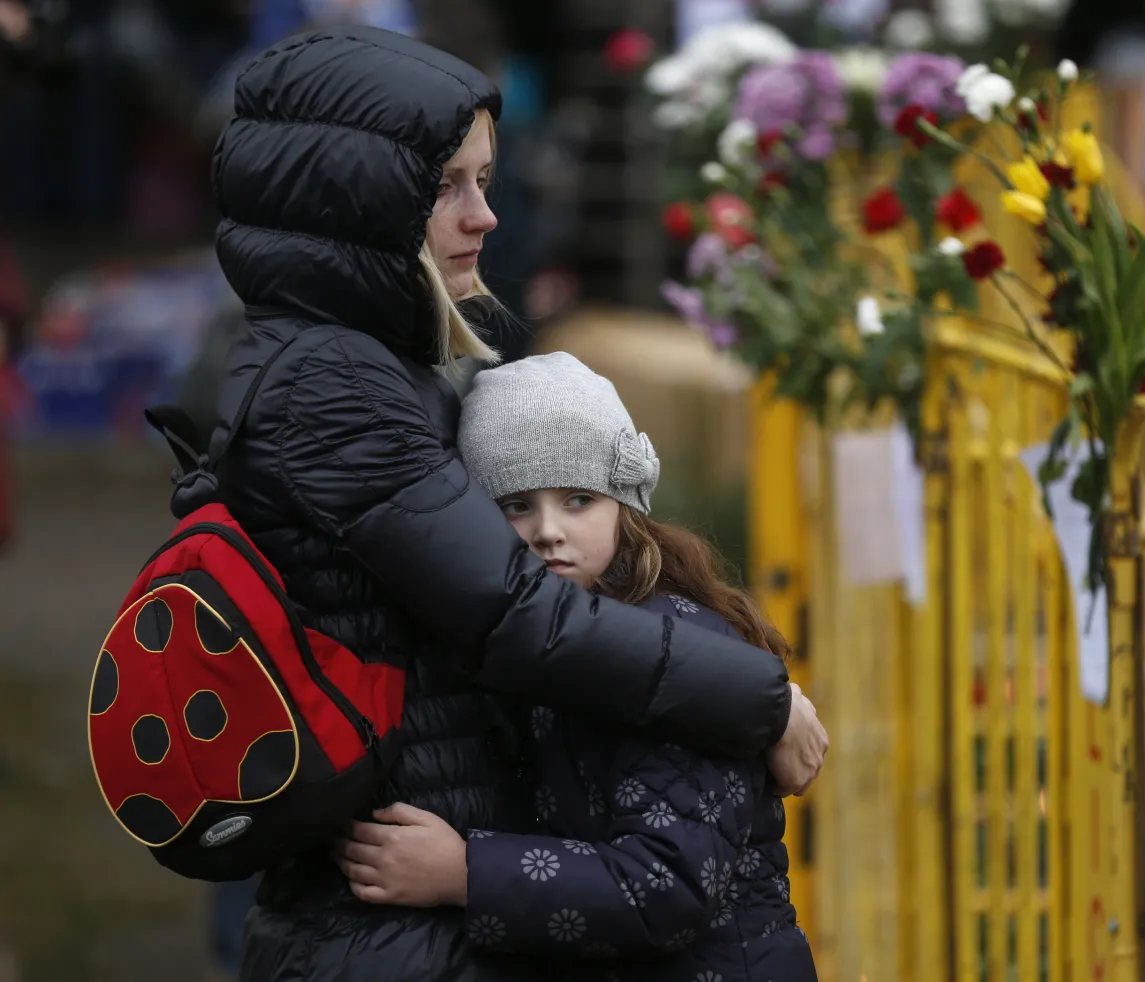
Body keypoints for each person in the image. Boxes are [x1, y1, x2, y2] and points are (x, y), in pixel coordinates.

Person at [209, 25, 826, 982]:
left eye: (486, 182)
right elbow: (515, 617)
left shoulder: (363, 363)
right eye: (448, 185)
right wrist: (759, 699)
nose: (484, 216)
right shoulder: (333, 383)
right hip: (387, 920)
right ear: (364, 196)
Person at [335, 351, 819, 981]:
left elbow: (667, 888)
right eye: (514, 505)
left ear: (626, 504)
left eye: (578, 499)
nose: (547, 530)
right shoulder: (534, 651)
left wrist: (463, 872)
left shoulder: (677, 646)